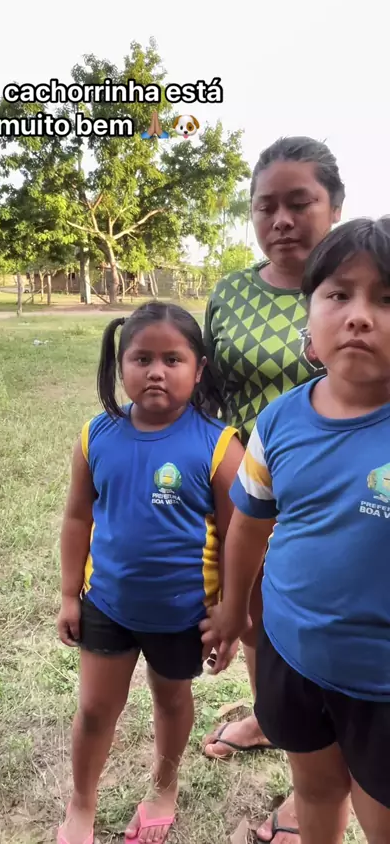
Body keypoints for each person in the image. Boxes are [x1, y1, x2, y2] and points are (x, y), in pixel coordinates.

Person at [203, 216, 390, 844]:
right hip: (292, 654)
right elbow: (249, 528)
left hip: (381, 684)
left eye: (386, 299)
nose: (359, 316)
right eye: (338, 294)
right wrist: (233, 609)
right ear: (309, 314)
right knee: (315, 788)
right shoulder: (280, 421)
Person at [56, 302, 244, 844]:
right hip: (107, 604)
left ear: (199, 369)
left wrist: (230, 612)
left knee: (171, 699)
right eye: (141, 359)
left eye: (172, 359)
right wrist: (69, 595)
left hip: (183, 615)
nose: (156, 371)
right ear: (121, 366)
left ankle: (164, 787)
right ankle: (81, 802)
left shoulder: (219, 445)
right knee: (95, 709)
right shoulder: (97, 436)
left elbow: (240, 537)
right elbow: (77, 518)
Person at [202, 136, 345, 843]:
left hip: (332, 501)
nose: (281, 220)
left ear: (334, 206)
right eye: (266, 206)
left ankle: (311, 786)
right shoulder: (230, 293)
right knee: (256, 620)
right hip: (245, 493)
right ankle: (270, 716)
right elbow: (210, 393)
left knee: (321, 632)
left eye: (300, 202)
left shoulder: (354, 287)